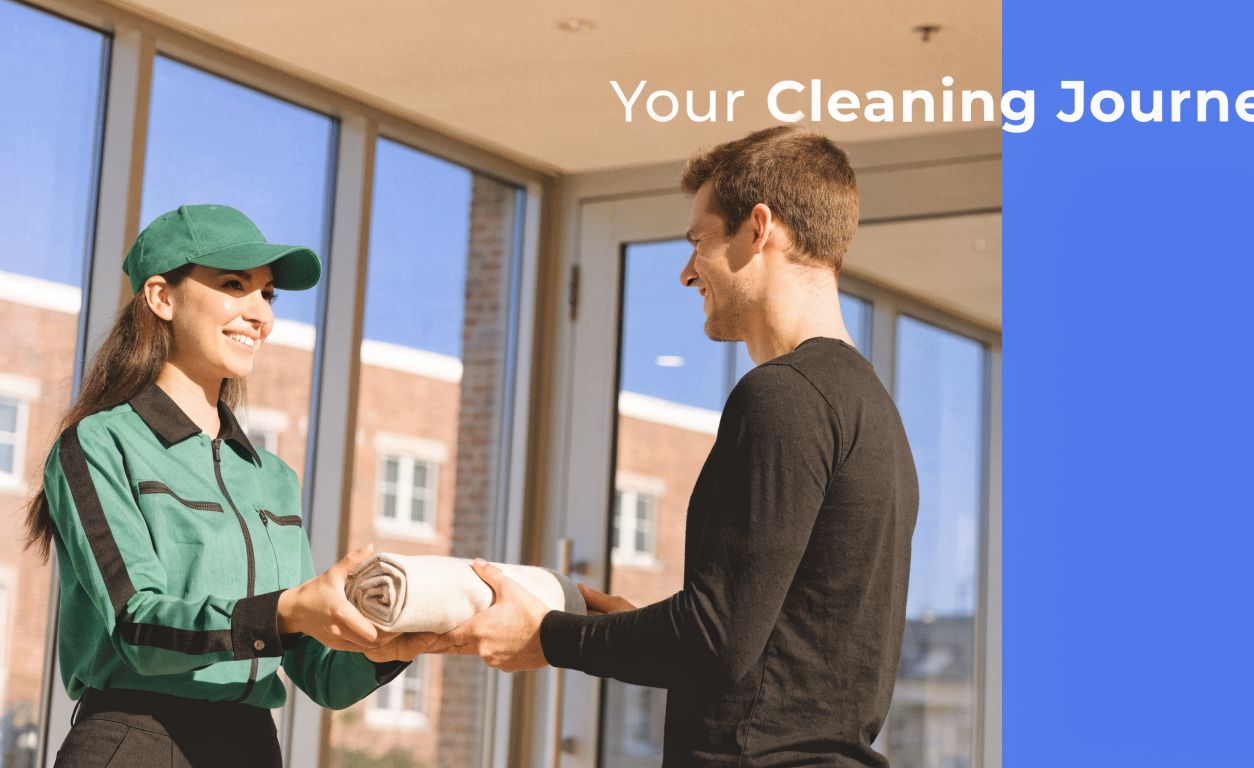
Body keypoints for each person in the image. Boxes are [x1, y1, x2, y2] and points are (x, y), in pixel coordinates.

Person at [381, 127, 920, 766]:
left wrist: (548, 637)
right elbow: (772, 643)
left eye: (699, 240)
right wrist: (622, 626)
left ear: (758, 228)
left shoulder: (781, 396)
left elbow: (717, 638)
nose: (688, 271)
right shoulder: (873, 412)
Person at [24, 205, 405, 767]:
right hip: (137, 744)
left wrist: (399, 639)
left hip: (251, 747)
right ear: (161, 297)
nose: (260, 315)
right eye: (234, 285)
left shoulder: (272, 478)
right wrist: (283, 610)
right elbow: (137, 623)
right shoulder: (98, 445)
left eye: (267, 296)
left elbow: (322, 677)